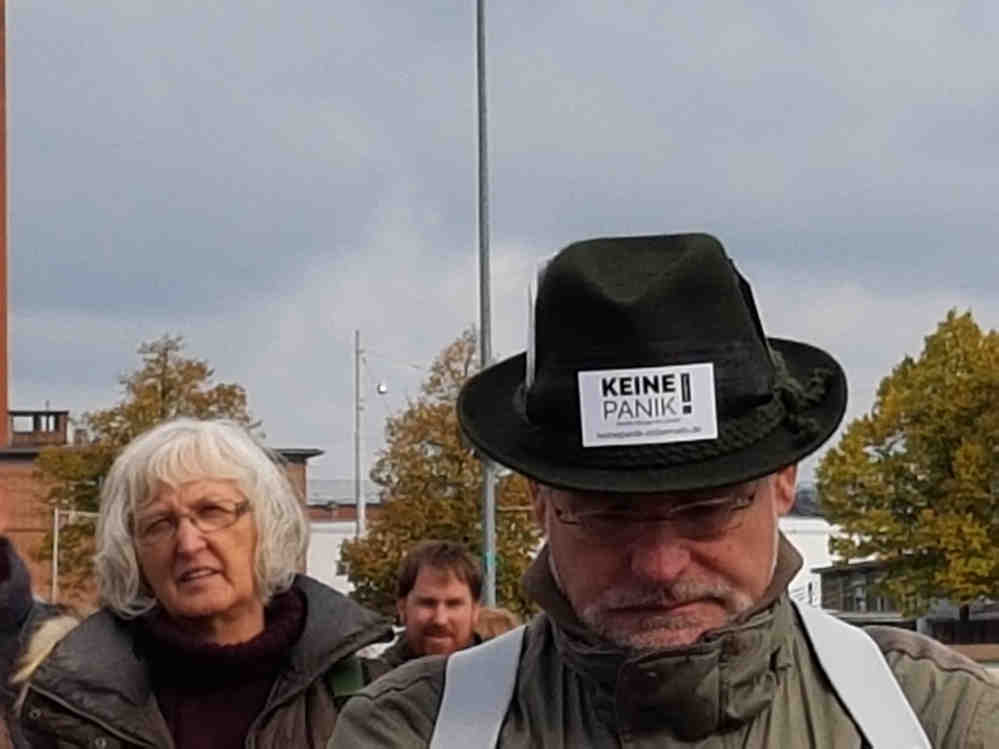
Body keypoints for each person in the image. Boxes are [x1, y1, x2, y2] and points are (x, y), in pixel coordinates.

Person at [330, 233, 999, 748]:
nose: (659, 565)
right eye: (608, 515)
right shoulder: (411, 730)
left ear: (783, 480)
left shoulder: (940, 720)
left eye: (705, 509)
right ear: (538, 500)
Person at [14, 418, 393, 749]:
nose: (188, 543)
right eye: (159, 524)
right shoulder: (70, 711)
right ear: (133, 553)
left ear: (266, 524)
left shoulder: (364, 695)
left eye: (212, 511)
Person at [366, 540, 482, 681]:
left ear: (475, 610)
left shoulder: (501, 679)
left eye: (453, 604)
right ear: (402, 608)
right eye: (427, 603)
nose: (440, 619)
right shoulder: (373, 685)